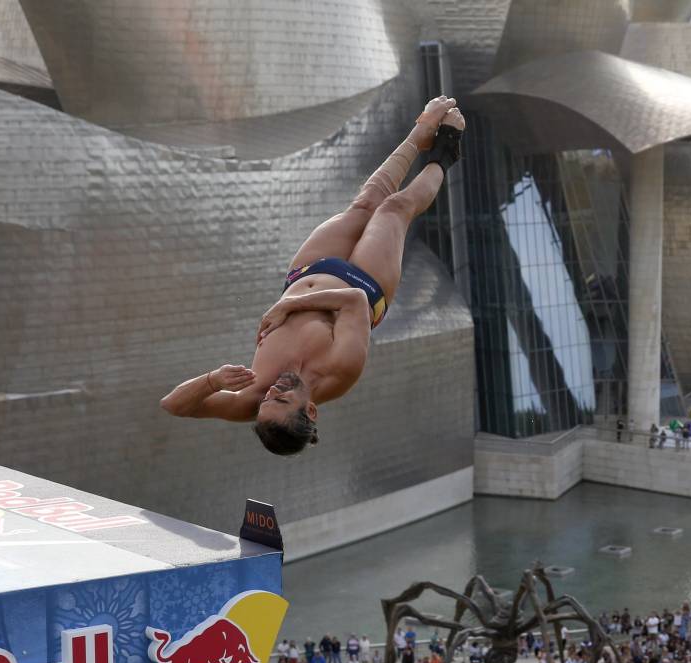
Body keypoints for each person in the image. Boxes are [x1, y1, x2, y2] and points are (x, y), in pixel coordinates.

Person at [160, 97, 467, 456]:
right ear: (309, 408)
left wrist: (213, 380)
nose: (271, 393)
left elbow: (173, 406)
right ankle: (446, 152)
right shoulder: (340, 372)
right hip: (366, 286)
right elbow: (353, 302)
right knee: (393, 209)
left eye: (265, 404)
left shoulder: (252, 396)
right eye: (281, 400)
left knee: (365, 202)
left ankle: (422, 131)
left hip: (310, 271)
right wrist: (289, 305)